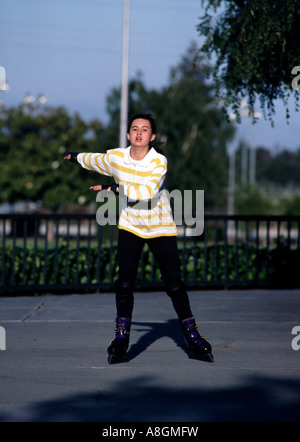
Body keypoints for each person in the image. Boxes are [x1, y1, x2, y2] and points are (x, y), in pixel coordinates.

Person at [64, 113, 213, 364]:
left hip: (160, 227)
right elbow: (96, 160)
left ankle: (192, 334)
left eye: (145, 129)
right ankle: (121, 336)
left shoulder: (159, 162)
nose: (139, 132)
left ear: (152, 137)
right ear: (128, 134)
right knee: (124, 283)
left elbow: (147, 191)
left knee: (174, 284)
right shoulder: (117, 157)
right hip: (131, 225)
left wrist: (114, 189)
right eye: (134, 128)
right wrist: (75, 157)